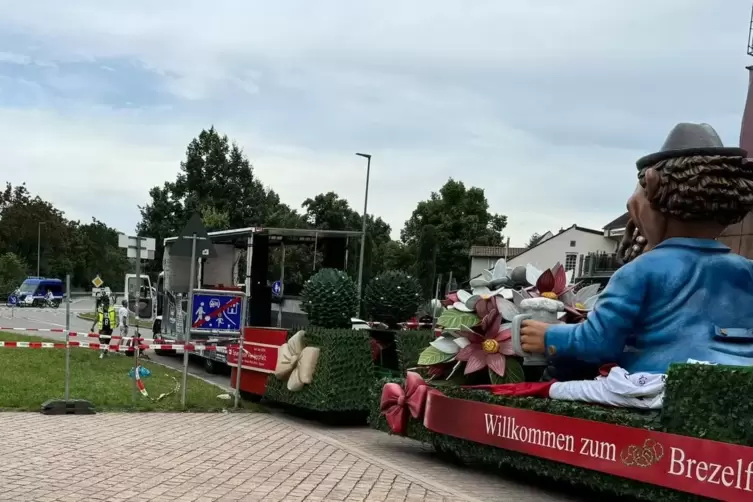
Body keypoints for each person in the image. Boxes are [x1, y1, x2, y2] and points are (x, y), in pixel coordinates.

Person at [521, 123, 753, 374]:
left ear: (651, 184)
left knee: (561, 376)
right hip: (740, 384)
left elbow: (598, 343)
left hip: (662, 381)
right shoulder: (747, 270)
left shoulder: (641, 270)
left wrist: (547, 336)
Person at [91, 294, 117, 359]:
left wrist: (117, 323)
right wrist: (93, 326)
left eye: (105, 302)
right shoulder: (100, 309)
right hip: (102, 328)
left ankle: (106, 351)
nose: (103, 303)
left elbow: (114, 317)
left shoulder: (111, 309)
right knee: (102, 340)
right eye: (103, 302)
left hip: (109, 328)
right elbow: (97, 318)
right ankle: (102, 353)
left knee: (107, 341)